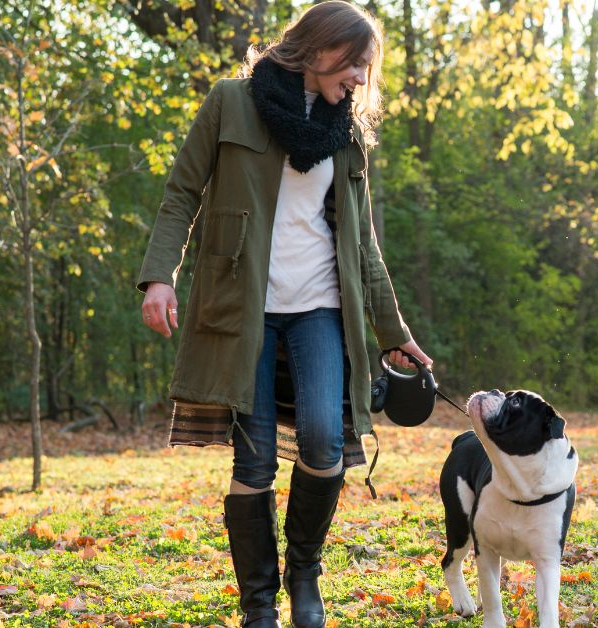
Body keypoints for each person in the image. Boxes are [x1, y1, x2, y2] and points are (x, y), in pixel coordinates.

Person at [136, 3, 430, 627]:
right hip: (243, 312)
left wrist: (392, 335)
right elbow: (182, 192)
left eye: (364, 70)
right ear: (319, 48)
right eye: (353, 64)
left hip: (322, 309)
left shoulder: (346, 134)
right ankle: (259, 603)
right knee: (256, 459)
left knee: (326, 439)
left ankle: (305, 575)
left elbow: (363, 244)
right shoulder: (230, 102)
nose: (358, 79)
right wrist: (160, 276)